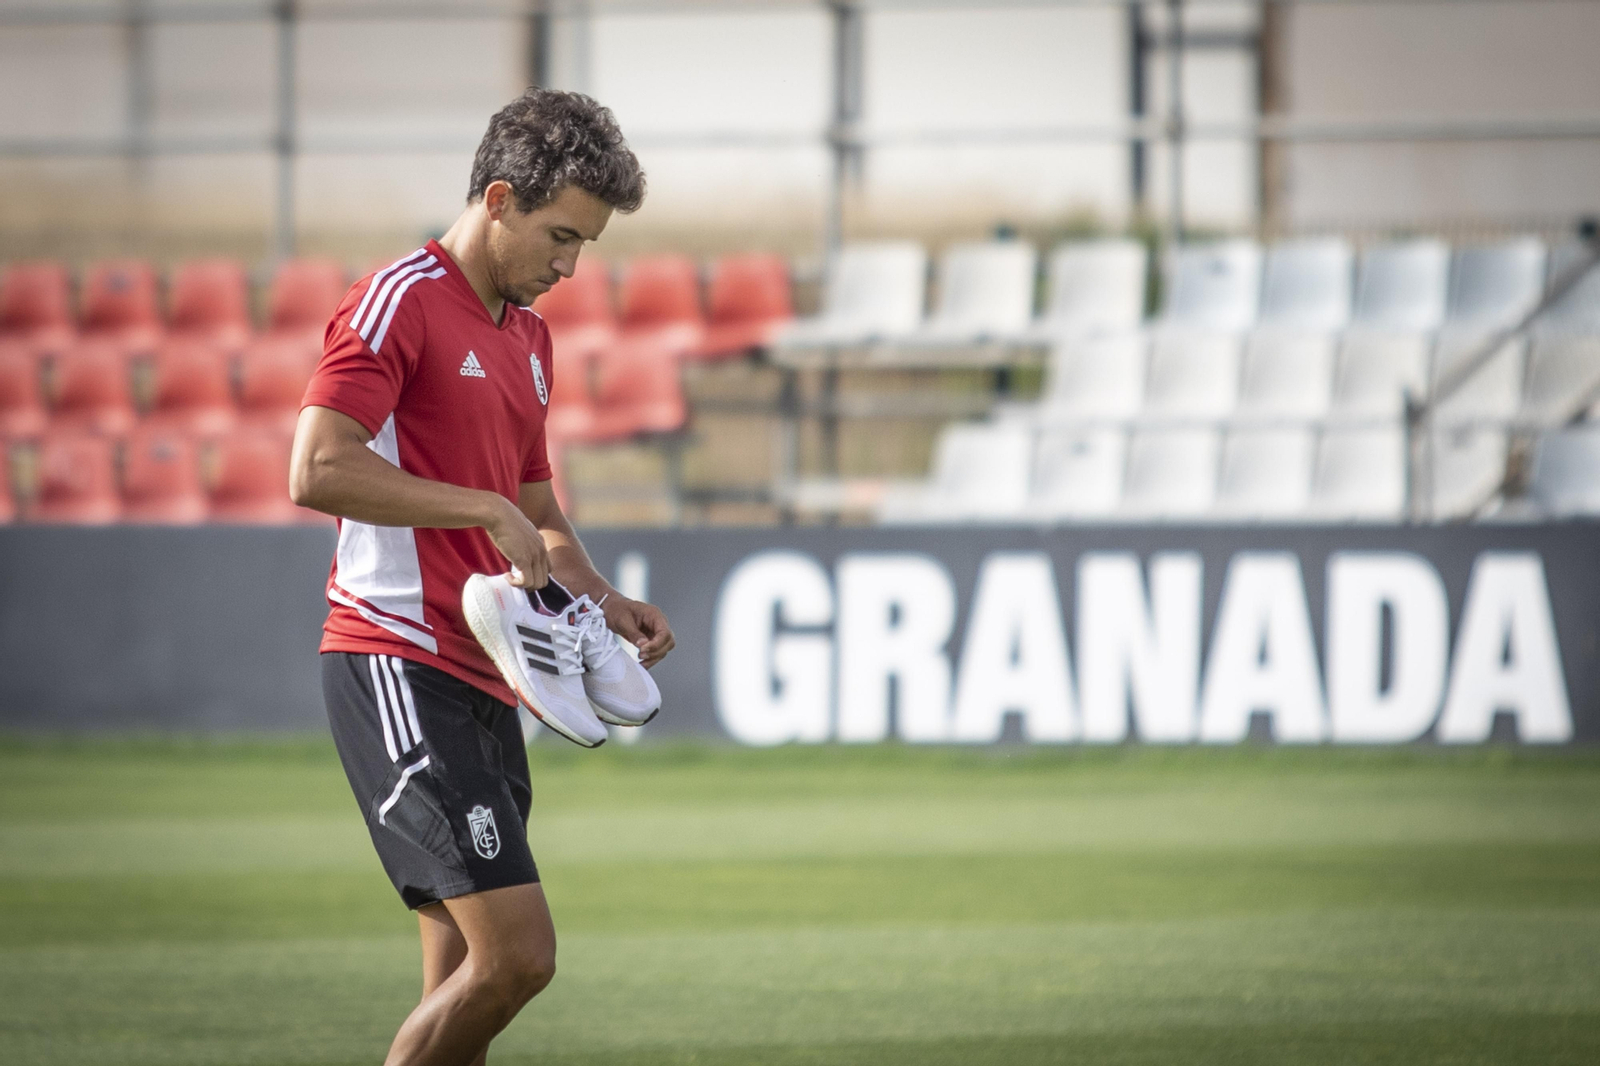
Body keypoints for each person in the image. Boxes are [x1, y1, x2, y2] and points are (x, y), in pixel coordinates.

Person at [289, 87, 675, 1066]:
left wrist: (606, 600)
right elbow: (316, 467)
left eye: (585, 245)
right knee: (519, 957)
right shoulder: (400, 299)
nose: (569, 264)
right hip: (395, 665)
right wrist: (480, 505)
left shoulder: (529, 339)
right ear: (497, 197)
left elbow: (539, 511)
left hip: (490, 680)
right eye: (559, 235)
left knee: (466, 984)